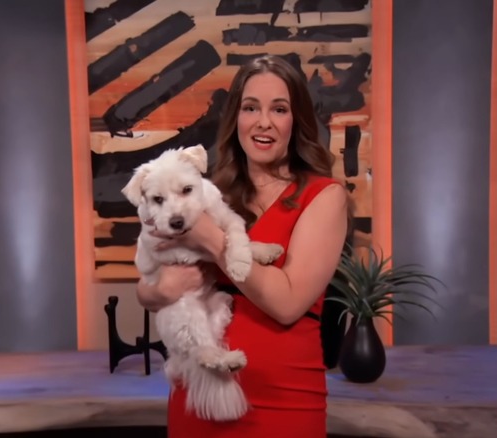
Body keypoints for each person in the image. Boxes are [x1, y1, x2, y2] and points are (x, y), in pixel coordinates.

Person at [136, 54, 350, 438]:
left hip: (284, 402)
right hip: (198, 397)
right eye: (251, 107)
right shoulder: (205, 193)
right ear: (236, 117)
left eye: (279, 109)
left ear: (296, 120)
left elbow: (286, 304)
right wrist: (157, 292)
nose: (263, 122)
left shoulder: (324, 196)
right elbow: (151, 272)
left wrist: (210, 237)